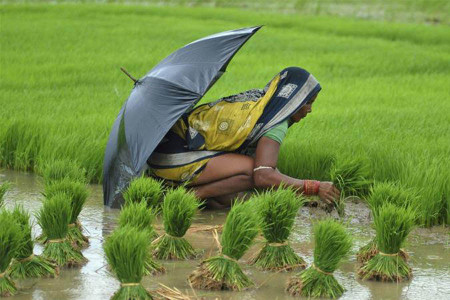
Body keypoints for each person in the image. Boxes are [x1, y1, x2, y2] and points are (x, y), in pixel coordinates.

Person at [147, 67, 340, 208]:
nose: (310, 110)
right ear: (295, 99)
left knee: (234, 199)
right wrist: (314, 187)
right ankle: (191, 196)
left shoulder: (261, 103)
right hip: (173, 157)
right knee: (252, 170)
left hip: (162, 152)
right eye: (308, 103)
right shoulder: (275, 123)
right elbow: (263, 175)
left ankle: (192, 196)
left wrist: (296, 198)